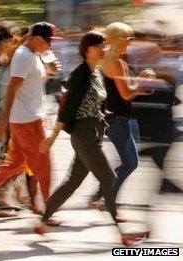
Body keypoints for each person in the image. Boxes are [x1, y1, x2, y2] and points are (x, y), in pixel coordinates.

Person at [35, 31, 149, 246]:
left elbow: (98, 104)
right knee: (109, 179)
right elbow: (67, 108)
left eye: (104, 45)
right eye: (98, 46)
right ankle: (122, 232)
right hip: (83, 134)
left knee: (73, 181)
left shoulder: (96, 72)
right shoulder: (81, 74)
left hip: (93, 134)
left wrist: (102, 117)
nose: (103, 49)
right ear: (86, 50)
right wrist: (53, 136)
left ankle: (42, 222)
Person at [0, 22, 59, 211]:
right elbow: (12, 89)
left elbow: (32, 86)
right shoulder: (24, 56)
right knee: (44, 165)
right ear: (36, 39)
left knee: (13, 163)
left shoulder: (33, 55)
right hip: (27, 121)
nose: (50, 45)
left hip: (28, 119)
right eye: (48, 41)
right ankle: (49, 209)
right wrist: (4, 121)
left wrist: (49, 69)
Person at [90, 22, 154, 207]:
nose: (131, 43)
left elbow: (125, 89)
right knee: (130, 163)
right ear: (118, 40)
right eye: (128, 39)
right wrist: (142, 81)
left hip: (122, 115)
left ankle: (100, 194)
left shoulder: (114, 61)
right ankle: (107, 199)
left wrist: (142, 84)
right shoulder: (115, 62)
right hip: (117, 118)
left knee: (129, 161)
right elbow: (126, 93)